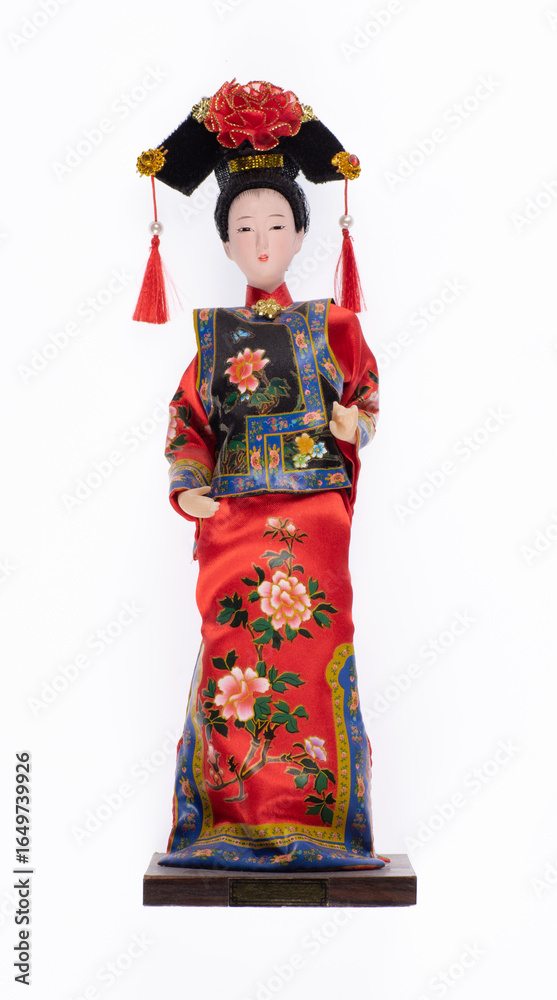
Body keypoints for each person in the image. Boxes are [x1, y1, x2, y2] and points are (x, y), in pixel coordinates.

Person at [136, 80, 387, 871]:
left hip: (314, 522)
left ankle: (322, 824)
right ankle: (226, 822)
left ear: (302, 230)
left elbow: (364, 396)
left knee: (311, 658)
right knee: (232, 661)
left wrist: (351, 423)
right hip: (234, 522)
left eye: (276, 223)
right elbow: (188, 421)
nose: (262, 239)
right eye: (243, 227)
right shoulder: (214, 338)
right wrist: (188, 484)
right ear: (224, 243)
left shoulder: (333, 326)